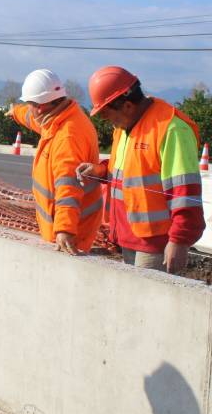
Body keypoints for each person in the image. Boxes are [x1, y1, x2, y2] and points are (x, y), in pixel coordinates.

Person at [76, 66, 204, 273]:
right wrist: (100, 170)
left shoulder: (171, 129)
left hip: (154, 244)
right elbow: (129, 169)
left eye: (108, 116)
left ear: (127, 105)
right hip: (128, 236)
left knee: (146, 302)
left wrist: (179, 240)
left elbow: (185, 192)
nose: (109, 123)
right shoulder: (126, 126)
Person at [7, 69, 104, 254]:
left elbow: (68, 185)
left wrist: (64, 229)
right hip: (64, 227)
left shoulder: (67, 136)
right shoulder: (57, 119)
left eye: (29, 105)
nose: (28, 110)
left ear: (40, 107)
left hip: (72, 235)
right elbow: (32, 119)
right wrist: (15, 112)